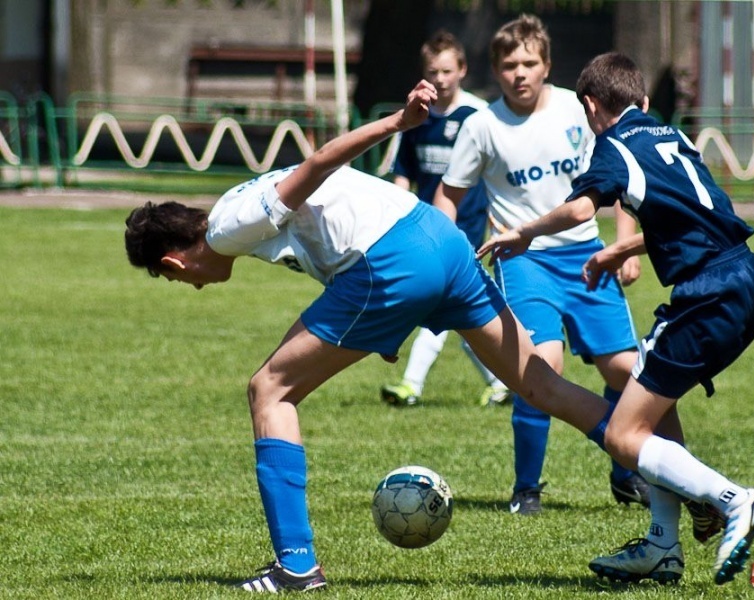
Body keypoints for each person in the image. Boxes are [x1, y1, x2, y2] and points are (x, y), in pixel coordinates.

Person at [124, 80, 630, 594]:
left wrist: (397, 123)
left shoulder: (228, 227)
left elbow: (319, 163)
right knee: (542, 386)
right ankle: (664, 466)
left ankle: (295, 565)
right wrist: (387, 324)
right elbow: (330, 229)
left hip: (392, 261)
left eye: (174, 279)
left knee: (268, 390)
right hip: (439, 237)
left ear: (173, 261)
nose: (191, 285)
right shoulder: (231, 206)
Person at [478, 52, 754, 586]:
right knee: (654, 409)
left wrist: (525, 232)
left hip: (708, 292)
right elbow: (706, 212)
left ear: (591, 106)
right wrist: (622, 250)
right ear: (642, 99)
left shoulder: (613, 144)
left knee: (622, 434)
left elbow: (580, 210)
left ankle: (734, 500)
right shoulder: (671, 135)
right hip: (747, 279)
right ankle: (662, 545)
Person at [432, 14, 649, 515]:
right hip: (523, 260)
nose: (519, 73)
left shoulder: (578, 110)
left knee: (626, 371)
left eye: (529, 63)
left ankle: (626, 472)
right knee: (542, 366)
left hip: (588, 256)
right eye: (509, 65)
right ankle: (526, 489)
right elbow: (449, 194)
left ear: (547, 65)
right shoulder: (482, 126)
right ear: (495, 70)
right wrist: (444, 251)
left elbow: (620, 177)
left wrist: (624, 243)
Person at [379, 30, 510, 408]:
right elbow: (404, 173)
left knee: (439, 306)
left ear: (462, 70)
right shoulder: (416, 116)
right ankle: (503, 384)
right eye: (433, 72)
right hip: (424, 228)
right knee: (458, 313)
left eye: (447, 71)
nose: (440, 79)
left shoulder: (478, 115)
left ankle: (411, 386)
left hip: (467, 229)